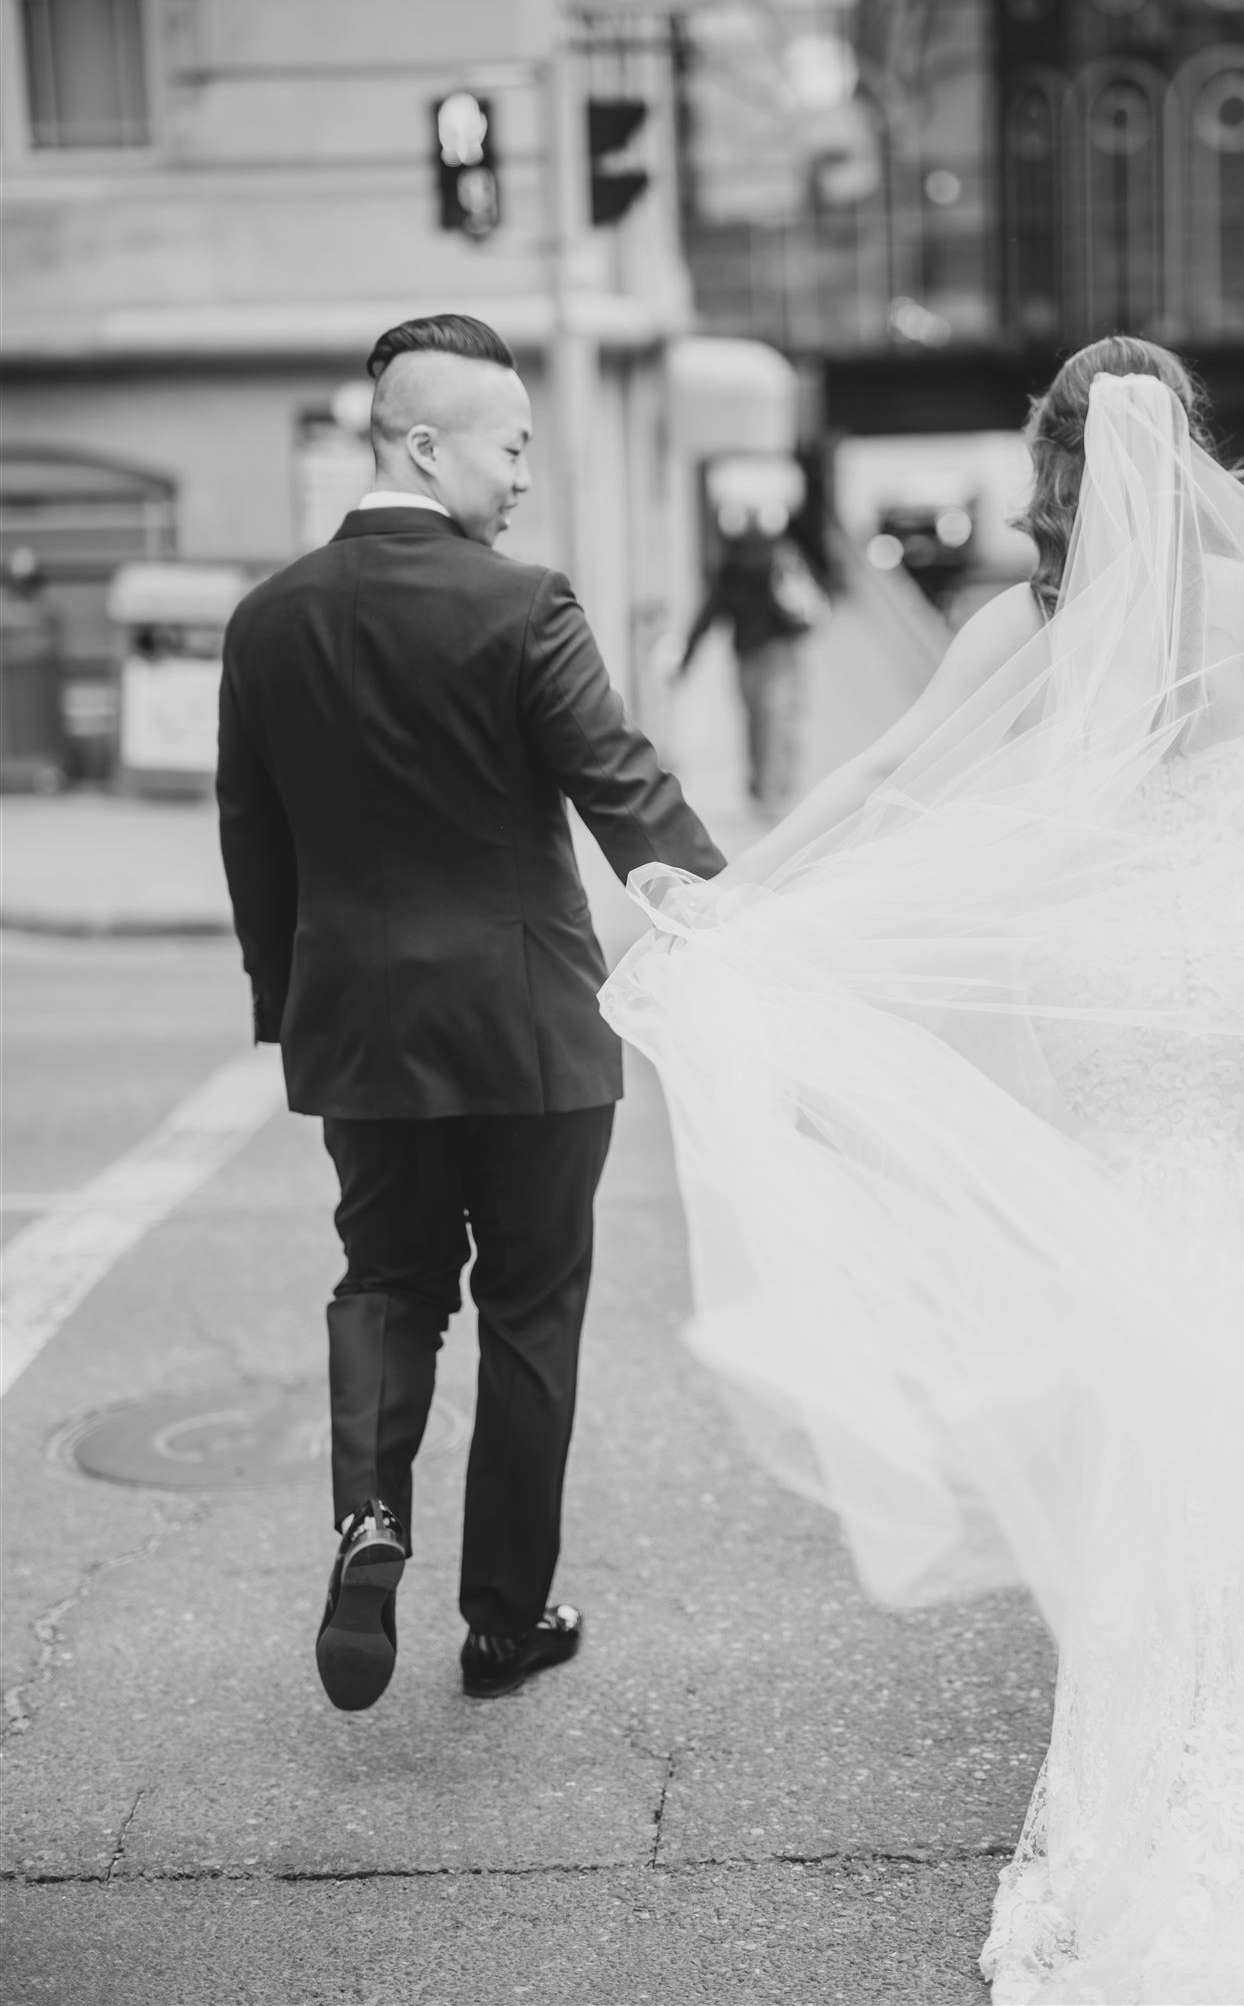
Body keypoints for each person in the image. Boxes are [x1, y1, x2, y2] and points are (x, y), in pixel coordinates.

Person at [601, 338, 1244, 1999]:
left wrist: (751, 909)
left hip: (1114, 979)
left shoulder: (1025, 628)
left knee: (1142, 1296)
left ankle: (1172, 1679)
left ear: (1049, 469)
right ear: (1192, 462)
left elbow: (900, 785)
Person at [216, 313, 724, 1713]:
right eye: (511, 445)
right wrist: (735, 924)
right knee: (529, 1317)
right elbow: (625, 792)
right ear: (426, 443)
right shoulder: (522, 605)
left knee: (387, 1283)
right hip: (534, 1038)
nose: (523, 475)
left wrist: (291, 1006)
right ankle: (504, 1618)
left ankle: (368, 1521)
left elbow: (252, 840)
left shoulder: (268, 621)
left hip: (364, 1036)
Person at [674, 506, 825, 819]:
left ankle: (761, 788)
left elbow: (708, 613)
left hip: (746, 654)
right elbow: (806, 601)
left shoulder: (730, 566)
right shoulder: (780, 558)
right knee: (779, 719)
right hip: (780, 651)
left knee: (756, 720)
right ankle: (775, 791)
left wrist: (687, 658)